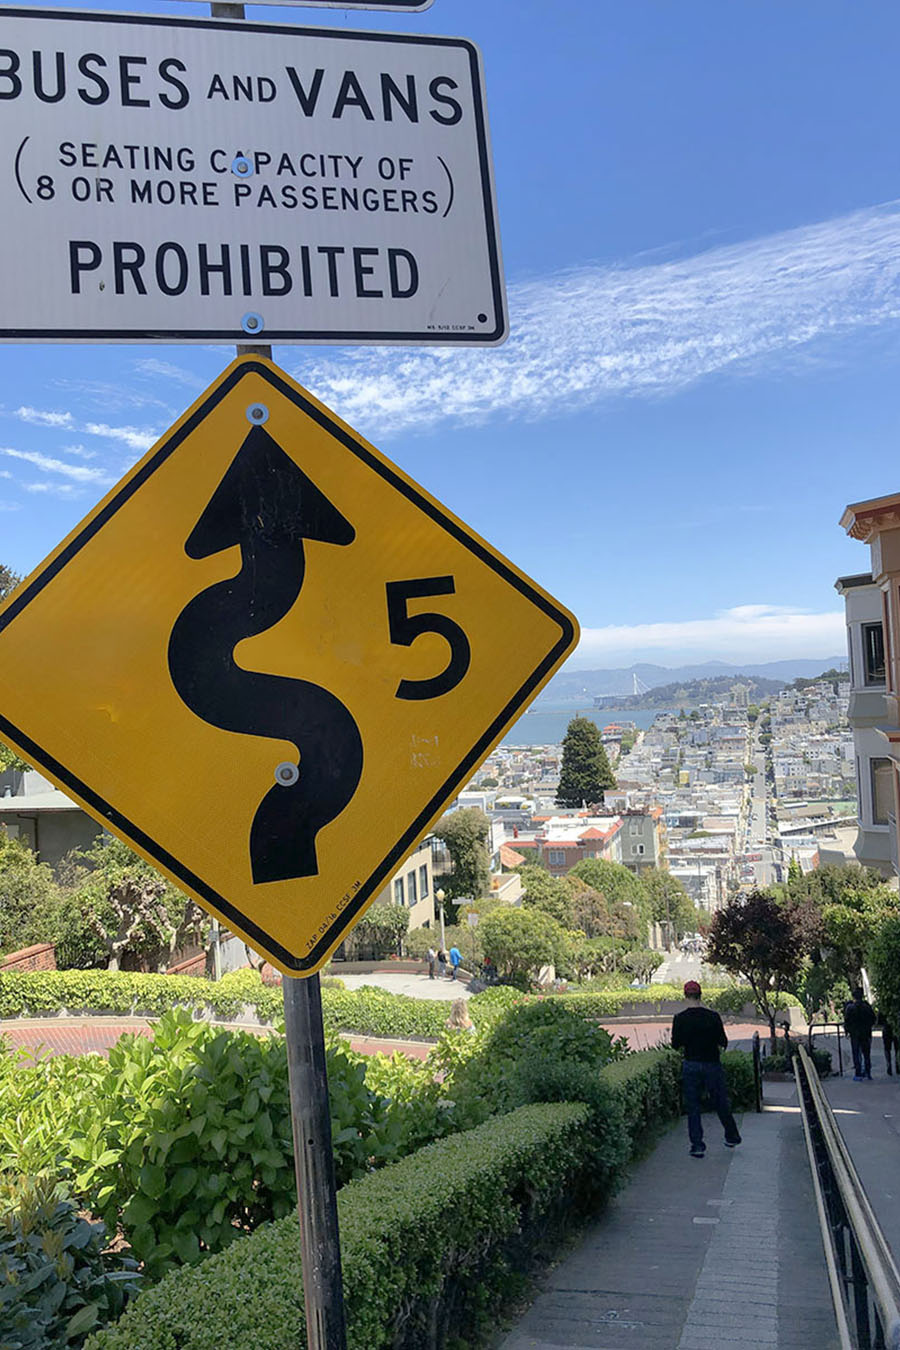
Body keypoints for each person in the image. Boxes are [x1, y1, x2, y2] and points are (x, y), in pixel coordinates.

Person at [671, 980, 742, 1159]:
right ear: (700, 995)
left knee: (693, 1106)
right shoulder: (713, 1017)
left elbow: (675, 1044)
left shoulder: (680, 1019)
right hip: (712, 1064)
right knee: (720, 1101)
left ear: (685, 996)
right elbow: (723, 1042)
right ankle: (732, 1136)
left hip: (691, 1064)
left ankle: (697, 1146)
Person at [845, 987, 876, 1080]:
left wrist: (848, 1031)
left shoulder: (850, 1008)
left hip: (855, 1034)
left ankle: (858, 1073)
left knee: (856, 1053)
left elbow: (847, 1021)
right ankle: (868, 1072)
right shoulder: (867, 1007)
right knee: (866, 1053)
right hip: (866, 1033)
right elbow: (873, 1019)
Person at [877, 1009, 897, 1076]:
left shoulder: (884, 1007)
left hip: (887, 1030)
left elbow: (879, 1022)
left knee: (887, 1049)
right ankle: (898, 1066)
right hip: (896, 1029)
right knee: (897, 1048)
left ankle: (889, 1064)